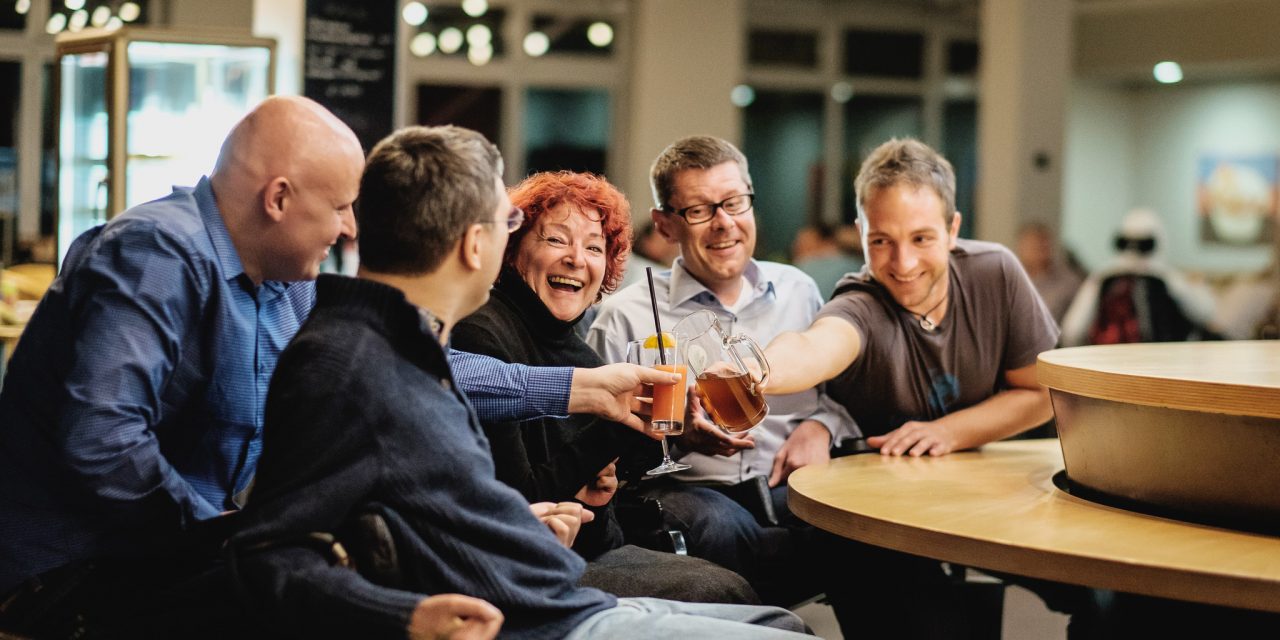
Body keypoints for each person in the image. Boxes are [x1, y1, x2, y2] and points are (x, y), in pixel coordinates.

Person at [0, 97, 672, 636]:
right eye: (342, 206)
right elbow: (102, 445)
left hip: (182, 559)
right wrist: (239, 540)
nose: (352, 229)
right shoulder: (156, 253)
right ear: (279, 198)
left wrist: (580, 389)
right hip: (72, 582)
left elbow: (393, 369)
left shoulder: (284, 274)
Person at [227, 124, 809, 639]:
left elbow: (424, 503)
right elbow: (266, 554)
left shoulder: (405, 346)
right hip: (538, 617)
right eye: (510, 224)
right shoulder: (347, 363)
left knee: (783, 621)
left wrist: (516, 525)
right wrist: (403, 617)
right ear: (476, 243)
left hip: (547, 589)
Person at [762, 137, 1060, 637]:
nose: (901, 264)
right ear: (859, 234)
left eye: (921, 239)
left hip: (986, 497)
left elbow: (1042, 393)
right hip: (879, 524)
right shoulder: (860, 303)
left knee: (1116, 599)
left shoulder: (995, 272)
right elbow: (814, 348)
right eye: (881, 241)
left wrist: (948, 431)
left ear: (953, 228)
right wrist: (749, 371)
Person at [452, 170, 759, 604]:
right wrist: (611, 430)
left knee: (741, 585)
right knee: (727, 591)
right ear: (512, 248)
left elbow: (599, 489)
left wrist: (676, 435)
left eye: (594, 247)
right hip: (525, 570)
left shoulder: (576, 349)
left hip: (590, 549)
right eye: (556, 240)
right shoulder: (482, 336)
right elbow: (520, 505)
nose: (577, 259)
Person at [586, 135, 856, 606]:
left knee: (868, 533)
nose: (724, 224)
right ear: (665, 225)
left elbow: (843, 396)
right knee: (716, 527)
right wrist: (677, 439)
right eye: (699, 210)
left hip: (795, 486)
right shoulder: (626, 316)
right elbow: (594, 447)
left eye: (734, 202)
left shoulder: (799, 289)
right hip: (695, 493)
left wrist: (820, 425)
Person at [1060, 207, 1216, 346]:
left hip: (1107, 363)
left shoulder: (1103, 276)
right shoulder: (1167, 278)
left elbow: (1073, 330)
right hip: (1159, 363)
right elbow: (1204, 313)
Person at [1015, 221, 1083, 324]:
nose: (1037, 250)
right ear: (1021, 248)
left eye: (1041, 245)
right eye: (1032, 246)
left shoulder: (1069, 283)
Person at [791, 222, 864, 301]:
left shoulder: (804, 267)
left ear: (827, 242)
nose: (796, 248)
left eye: (803, 244)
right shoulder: (857, 265)